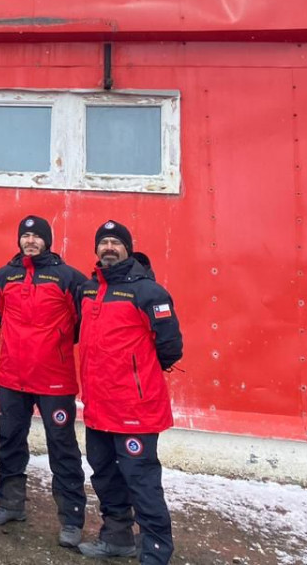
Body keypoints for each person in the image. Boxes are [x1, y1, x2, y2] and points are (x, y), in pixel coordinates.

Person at [77, 221, 183, 564]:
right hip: (97, 407)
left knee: (141, 481)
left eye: (115, 242)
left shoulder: (149, 292)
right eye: (103, 243)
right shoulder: (90, 290)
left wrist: (139, 374)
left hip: (135, 408)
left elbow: (170, 346)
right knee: (105, 475)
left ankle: (155, 550)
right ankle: (116, 537)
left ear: (127, 248)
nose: (109, 247)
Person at [0, 215, 89, 548]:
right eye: (25, 236)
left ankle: (71, 519)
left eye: (36, 236)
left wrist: (54, 342)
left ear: (48, 241)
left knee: (62, 448)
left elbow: (82, 321)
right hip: (13, 375)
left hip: (54, 378)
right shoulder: (5, 275)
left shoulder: (68, 277)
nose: (30, 241)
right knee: (10, 441)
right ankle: (11, 504)